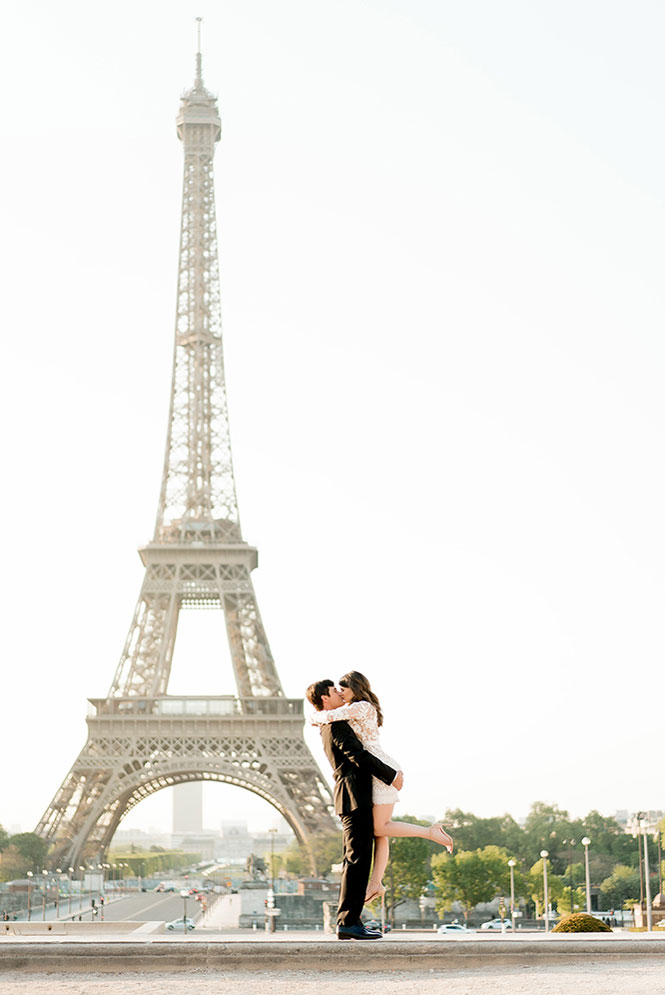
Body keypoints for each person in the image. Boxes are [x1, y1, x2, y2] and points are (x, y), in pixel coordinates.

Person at [311, 671, 453, 903]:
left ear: (355, 690)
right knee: (380, 831)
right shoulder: (357, 708)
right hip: (375, 769)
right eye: (337, 692)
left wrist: (315, 716)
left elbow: (323, 718)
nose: (342, 696)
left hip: (379, 770)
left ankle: (429, 832)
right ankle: (376, 883)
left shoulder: (360, 707)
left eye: (343, 691)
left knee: (379, 828)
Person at [306, 678, 403, 940]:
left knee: (356, 860)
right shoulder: (335, 724)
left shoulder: (329, 722)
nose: (339, 693)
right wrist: (390, 774)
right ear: (325, 699)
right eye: (334, 691)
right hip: (354, 795)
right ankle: (349, 922)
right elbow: (357, 754)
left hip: (351, 795)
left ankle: (350, 920)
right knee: (357, 861)